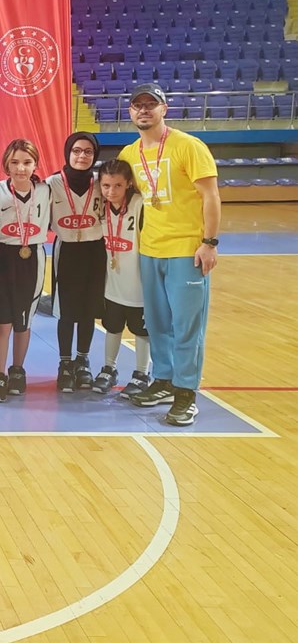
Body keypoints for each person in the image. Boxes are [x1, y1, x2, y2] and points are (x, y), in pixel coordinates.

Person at [120, 83, 220, 426]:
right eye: (138, 105)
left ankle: (186, 392)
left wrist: (209, 242)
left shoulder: (188, 146)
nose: (144, 110)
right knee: (157, 323)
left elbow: (211, 196)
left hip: (187, 251)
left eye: (151, 104)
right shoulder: (129, 154)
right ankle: (163, 380)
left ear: (164, 109)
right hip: (150, 249)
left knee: (187, 326)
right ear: (130, 112)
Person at [0, 139, 50, 401]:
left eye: (27, 162)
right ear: (6, 164)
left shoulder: (46, 190)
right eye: (14, 162)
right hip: (0, 256)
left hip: (31, 256)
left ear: (35, 164)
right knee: (2, 322)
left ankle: (17, 370)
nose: (20, 168)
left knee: (23, 322)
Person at [46, 132, 104, 392]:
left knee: (88, 310)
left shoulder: (102, 182)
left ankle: (83, 361)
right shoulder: (51, 184)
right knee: (66, 311)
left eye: (88, 152)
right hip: (67, 249)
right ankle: (65, 363)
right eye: (77, 151)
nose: (82, 156)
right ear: (68, 153)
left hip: (96, 249)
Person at [96, 159, 152, 397]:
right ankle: (109, 369)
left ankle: (142, 374)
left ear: (128, 183)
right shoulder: (101, 207)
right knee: (112, 328)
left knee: (142, 332)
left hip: (139, 287)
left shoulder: (139, 205)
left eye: (117, 185)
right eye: (106, 186)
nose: (111, 191)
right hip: (113, 285)